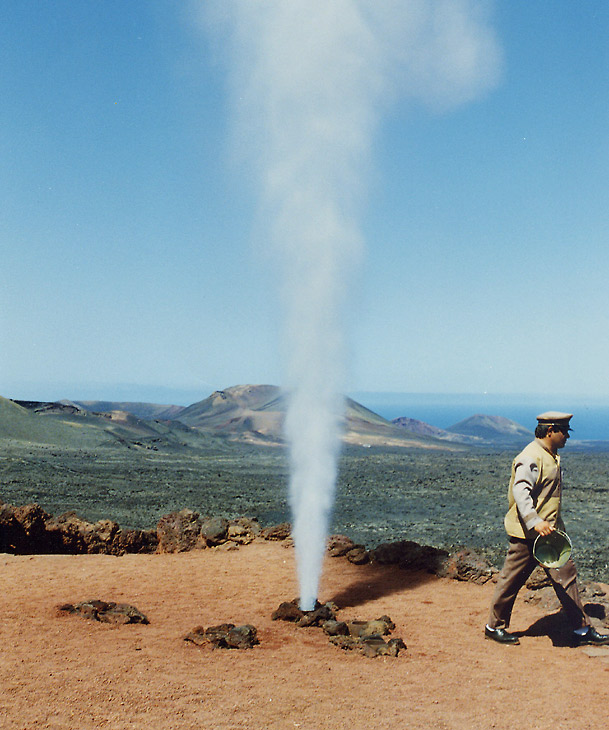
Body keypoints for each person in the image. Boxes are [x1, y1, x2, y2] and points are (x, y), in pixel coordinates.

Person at [485, 411, 609, 646]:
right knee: (511, 580)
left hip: (550, 534)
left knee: (566, 576)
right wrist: (534, 520)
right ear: (550, 430)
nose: (567, 437)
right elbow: (520, 492)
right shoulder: (531, 456)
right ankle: (494, 626)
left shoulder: (549, 455)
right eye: (564, 432)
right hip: (527, 535)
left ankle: (582, 630)